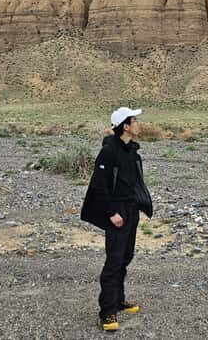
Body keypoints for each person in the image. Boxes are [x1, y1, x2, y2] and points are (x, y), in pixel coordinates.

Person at [81, 107, 153, 332]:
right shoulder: (109, 152)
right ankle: (107, 312)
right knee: (113, 260)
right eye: (135, 121)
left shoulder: (131, 151)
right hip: (117, 211)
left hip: (131, 210)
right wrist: (112, 213)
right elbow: (100, 186)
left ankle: (119, 299)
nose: (138, 124)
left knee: (126, 256)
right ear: (125, 126)